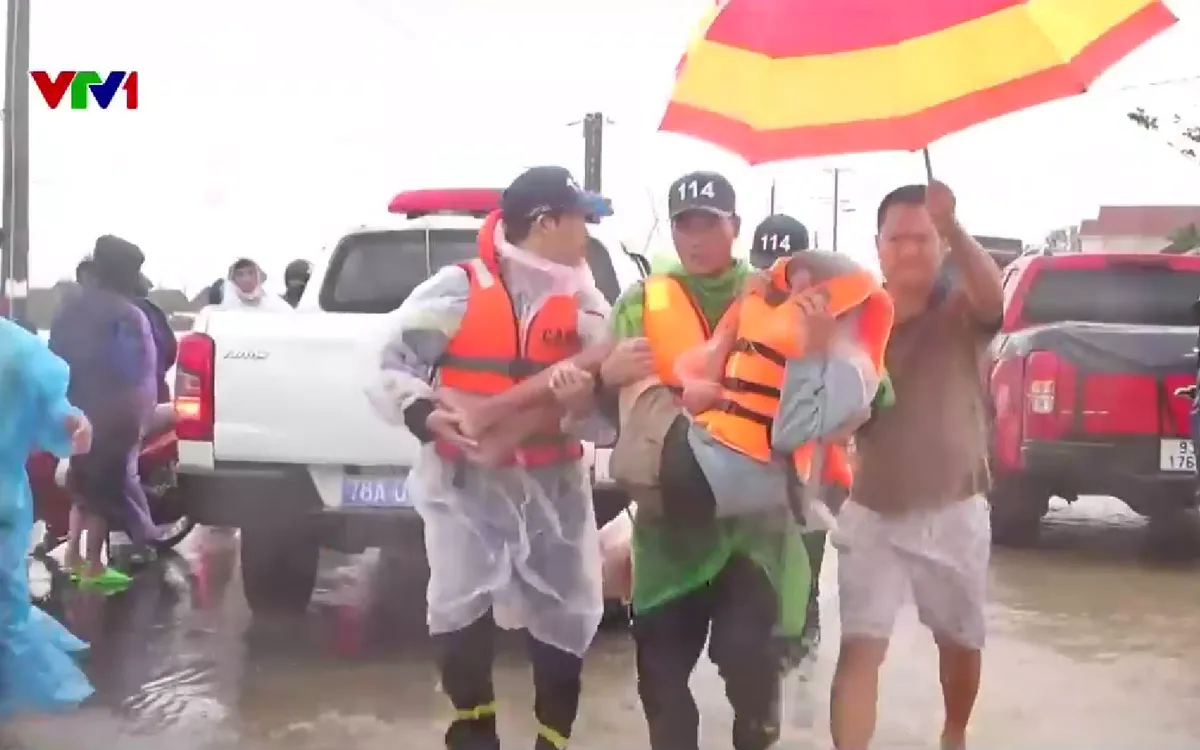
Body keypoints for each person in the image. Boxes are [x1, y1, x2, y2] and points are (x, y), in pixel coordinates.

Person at [365, 166, 614, 750]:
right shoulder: (457, 289)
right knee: (458, 607)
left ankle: (553, 738)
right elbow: (387, 364)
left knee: (567, 614)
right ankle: (474, 730)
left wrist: (582, 404)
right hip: (464, 483)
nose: (587, 229)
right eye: (580, 217)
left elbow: (606, 418)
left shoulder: (586, 302)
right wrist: (424, 414)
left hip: (555, 488)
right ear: (546, 223)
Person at [599, 171, 812, 750]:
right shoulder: (639, 302)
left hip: (751, 533)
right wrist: (606, 375)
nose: (695, 238)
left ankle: (758, 724)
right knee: (662, 688)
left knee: (748, 665)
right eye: (684, 225)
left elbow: (840, 386)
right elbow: (603, 404)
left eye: (709, 224)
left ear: (735, 226)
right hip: (667, 534)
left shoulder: (777, 295)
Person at [829, 182, 1002, 750]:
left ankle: (954, 734)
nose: (909, 250)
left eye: (923, 239)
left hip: (956, 506)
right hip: (872, 508)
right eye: (897, 239)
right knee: (859, 648)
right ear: (878, 247)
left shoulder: (962, 310)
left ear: (941, 246)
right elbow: (825, 410)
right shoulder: (854, 320)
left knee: (960, 642)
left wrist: (954, 226)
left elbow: (995, 302)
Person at [49, 236, 158, 589]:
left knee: (81, 487)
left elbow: (54, 357)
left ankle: (72, 556)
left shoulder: (70, 309)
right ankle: (95, 566)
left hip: (75, 409)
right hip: (113, 417)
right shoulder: (127, 314)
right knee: (103, 495)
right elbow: (131, 369)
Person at [0, 316, 95, 720]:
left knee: (7, 611)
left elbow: (58, 415)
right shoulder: (18, 349)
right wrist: (71, 424)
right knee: (7, 612)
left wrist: (72, 424)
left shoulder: (17, 350)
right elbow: (57, 415)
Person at [219, 258, 293, 312]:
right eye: (240, 274)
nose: (246, 279)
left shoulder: (277, 306)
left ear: (259, 276)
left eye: (251, 273)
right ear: (233, 280)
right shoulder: (224, 308)